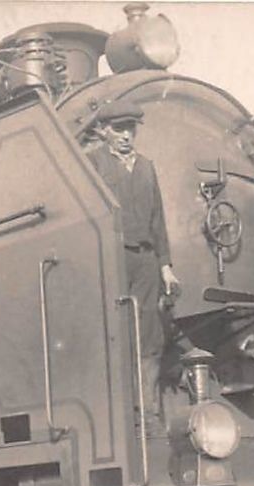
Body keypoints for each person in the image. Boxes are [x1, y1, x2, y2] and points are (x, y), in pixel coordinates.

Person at [86, 98, 181, 420]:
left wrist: (165, 266)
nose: (126, 136)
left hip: (145, 259)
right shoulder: (93, 162)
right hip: (112, 257)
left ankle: (148, 409)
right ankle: (117, 410)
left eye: (130, 129)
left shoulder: (146, 166)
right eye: (118, 129)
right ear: (102, 131)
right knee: (114, 328)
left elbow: (158, 219)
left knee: (150, 333)